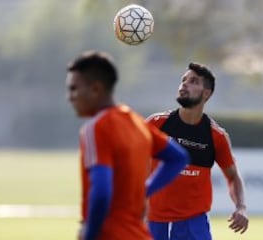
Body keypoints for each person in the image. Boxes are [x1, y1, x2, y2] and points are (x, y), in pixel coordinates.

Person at [65, 50, 190, 240]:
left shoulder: (96, 128)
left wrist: (90, 234)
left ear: (95, 89)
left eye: (74, 88)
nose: (70, 97)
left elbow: (101, 192)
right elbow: (178, 158)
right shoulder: (137, 122)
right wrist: (145, 190)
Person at [146, 62, 249, 240]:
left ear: (206, 93)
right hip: (153, 221)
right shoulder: (156, 124)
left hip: (193, 224)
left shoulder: (216, 136)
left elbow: (232, 176)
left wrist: (241, 206)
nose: (185, 84)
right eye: (183, 80)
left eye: (193, 81)